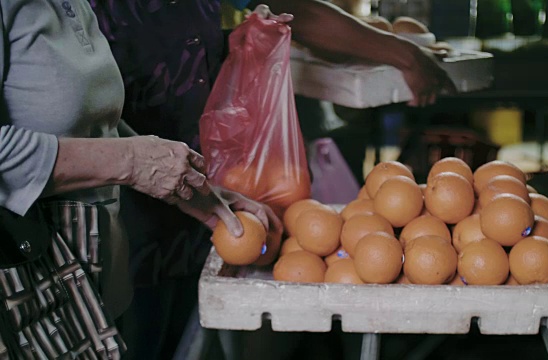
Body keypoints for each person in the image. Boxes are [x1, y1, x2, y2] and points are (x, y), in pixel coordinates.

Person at [88, 1, 455, 358]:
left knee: (196, 323)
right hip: (119, 201)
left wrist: (404, 54)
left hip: (205, 186)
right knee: (133, 331)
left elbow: (299, 8)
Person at [0, 1, 280, 357]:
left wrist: (188, 187)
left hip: (92, 288)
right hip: (26, 298)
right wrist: (132, 162)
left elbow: (93, 121)